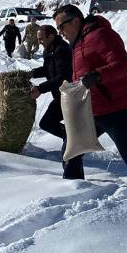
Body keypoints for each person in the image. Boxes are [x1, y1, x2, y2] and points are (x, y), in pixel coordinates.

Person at [52, 5, 127, 183]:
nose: (60, 32)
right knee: (71, 150)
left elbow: (123, 64)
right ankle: (74, 188)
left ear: (75, 21)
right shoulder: (77, 43)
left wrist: (98, 76)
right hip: (91, 110)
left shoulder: (101, 35)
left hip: (118, 109)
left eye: (61, 26)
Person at [29, 25, 80, 179]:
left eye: (41, 39)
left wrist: (40, 89)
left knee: (48, 123)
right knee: (46, 123)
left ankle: (72, 172)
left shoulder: (62, 50)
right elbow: (47, 70)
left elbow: (62, 77)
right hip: (59, 96)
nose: (39, 42)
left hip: (69, 95)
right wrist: (30, 73)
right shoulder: (49, 50)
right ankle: (70, 136)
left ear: (51, 37)